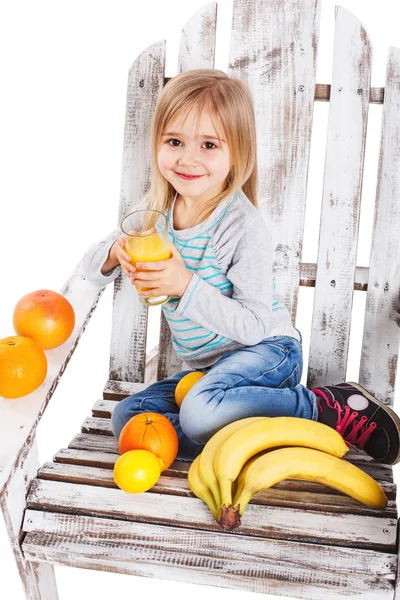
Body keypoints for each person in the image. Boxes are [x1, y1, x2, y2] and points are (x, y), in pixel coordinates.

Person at [81, 69, 400, 465]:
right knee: (129, 420)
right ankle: (259, 430)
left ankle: (322, 407)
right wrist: (116, 251)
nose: (188, 158)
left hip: (268, 352)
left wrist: (184, 284)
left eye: (209, 144)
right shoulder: (156, 215)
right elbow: (90, 267)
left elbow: (252, 326)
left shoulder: (241, 227)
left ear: (238, 153)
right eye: (175, 141)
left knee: (199, 414)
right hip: (211, 373)